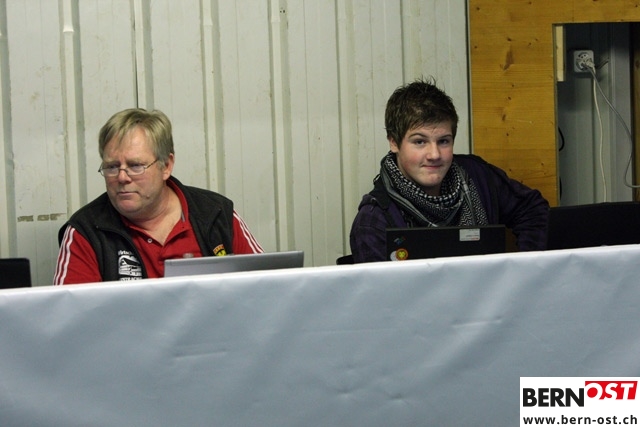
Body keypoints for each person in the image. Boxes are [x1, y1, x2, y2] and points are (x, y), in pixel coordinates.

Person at [349, 78, 549, 263]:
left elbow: (533, 209)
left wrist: (525, 267)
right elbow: (381, 290)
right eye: (420, 142)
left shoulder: (477, 176)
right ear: (394, 142)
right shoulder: (374, 221)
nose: (434, 154)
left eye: (443, 141)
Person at [54, 108, 263, 284]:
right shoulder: (86, 231)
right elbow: (71, 315)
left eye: (135, 165)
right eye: (112, 167)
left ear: (166, 166)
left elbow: (265, 288)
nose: (122, 177)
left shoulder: (216, 214)